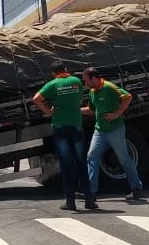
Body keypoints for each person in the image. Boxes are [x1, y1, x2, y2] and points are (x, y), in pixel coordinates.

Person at [33, 61, 95, 211]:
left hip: (60, 127)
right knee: (81, 162)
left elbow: (36, 98)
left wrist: (48, 111)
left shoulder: (52, 84)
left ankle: (70, 201)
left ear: (54, 73)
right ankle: (89, 200)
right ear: (65, 69)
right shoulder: (76, 81)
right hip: (76, 125)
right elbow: (80, 99)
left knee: (66, 165)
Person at [82, 66, 143, 202]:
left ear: (93, 78)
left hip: (115, 130)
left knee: (123, 159)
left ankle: (136, 188)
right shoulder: (92, 91)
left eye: (86, 81)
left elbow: (127, 97)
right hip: (99, 131)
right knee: (91, 157)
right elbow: (91, 110)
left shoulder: (109, 87)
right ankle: (91, 192)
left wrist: (117, 113)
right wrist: (75, 111)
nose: (85, 85)